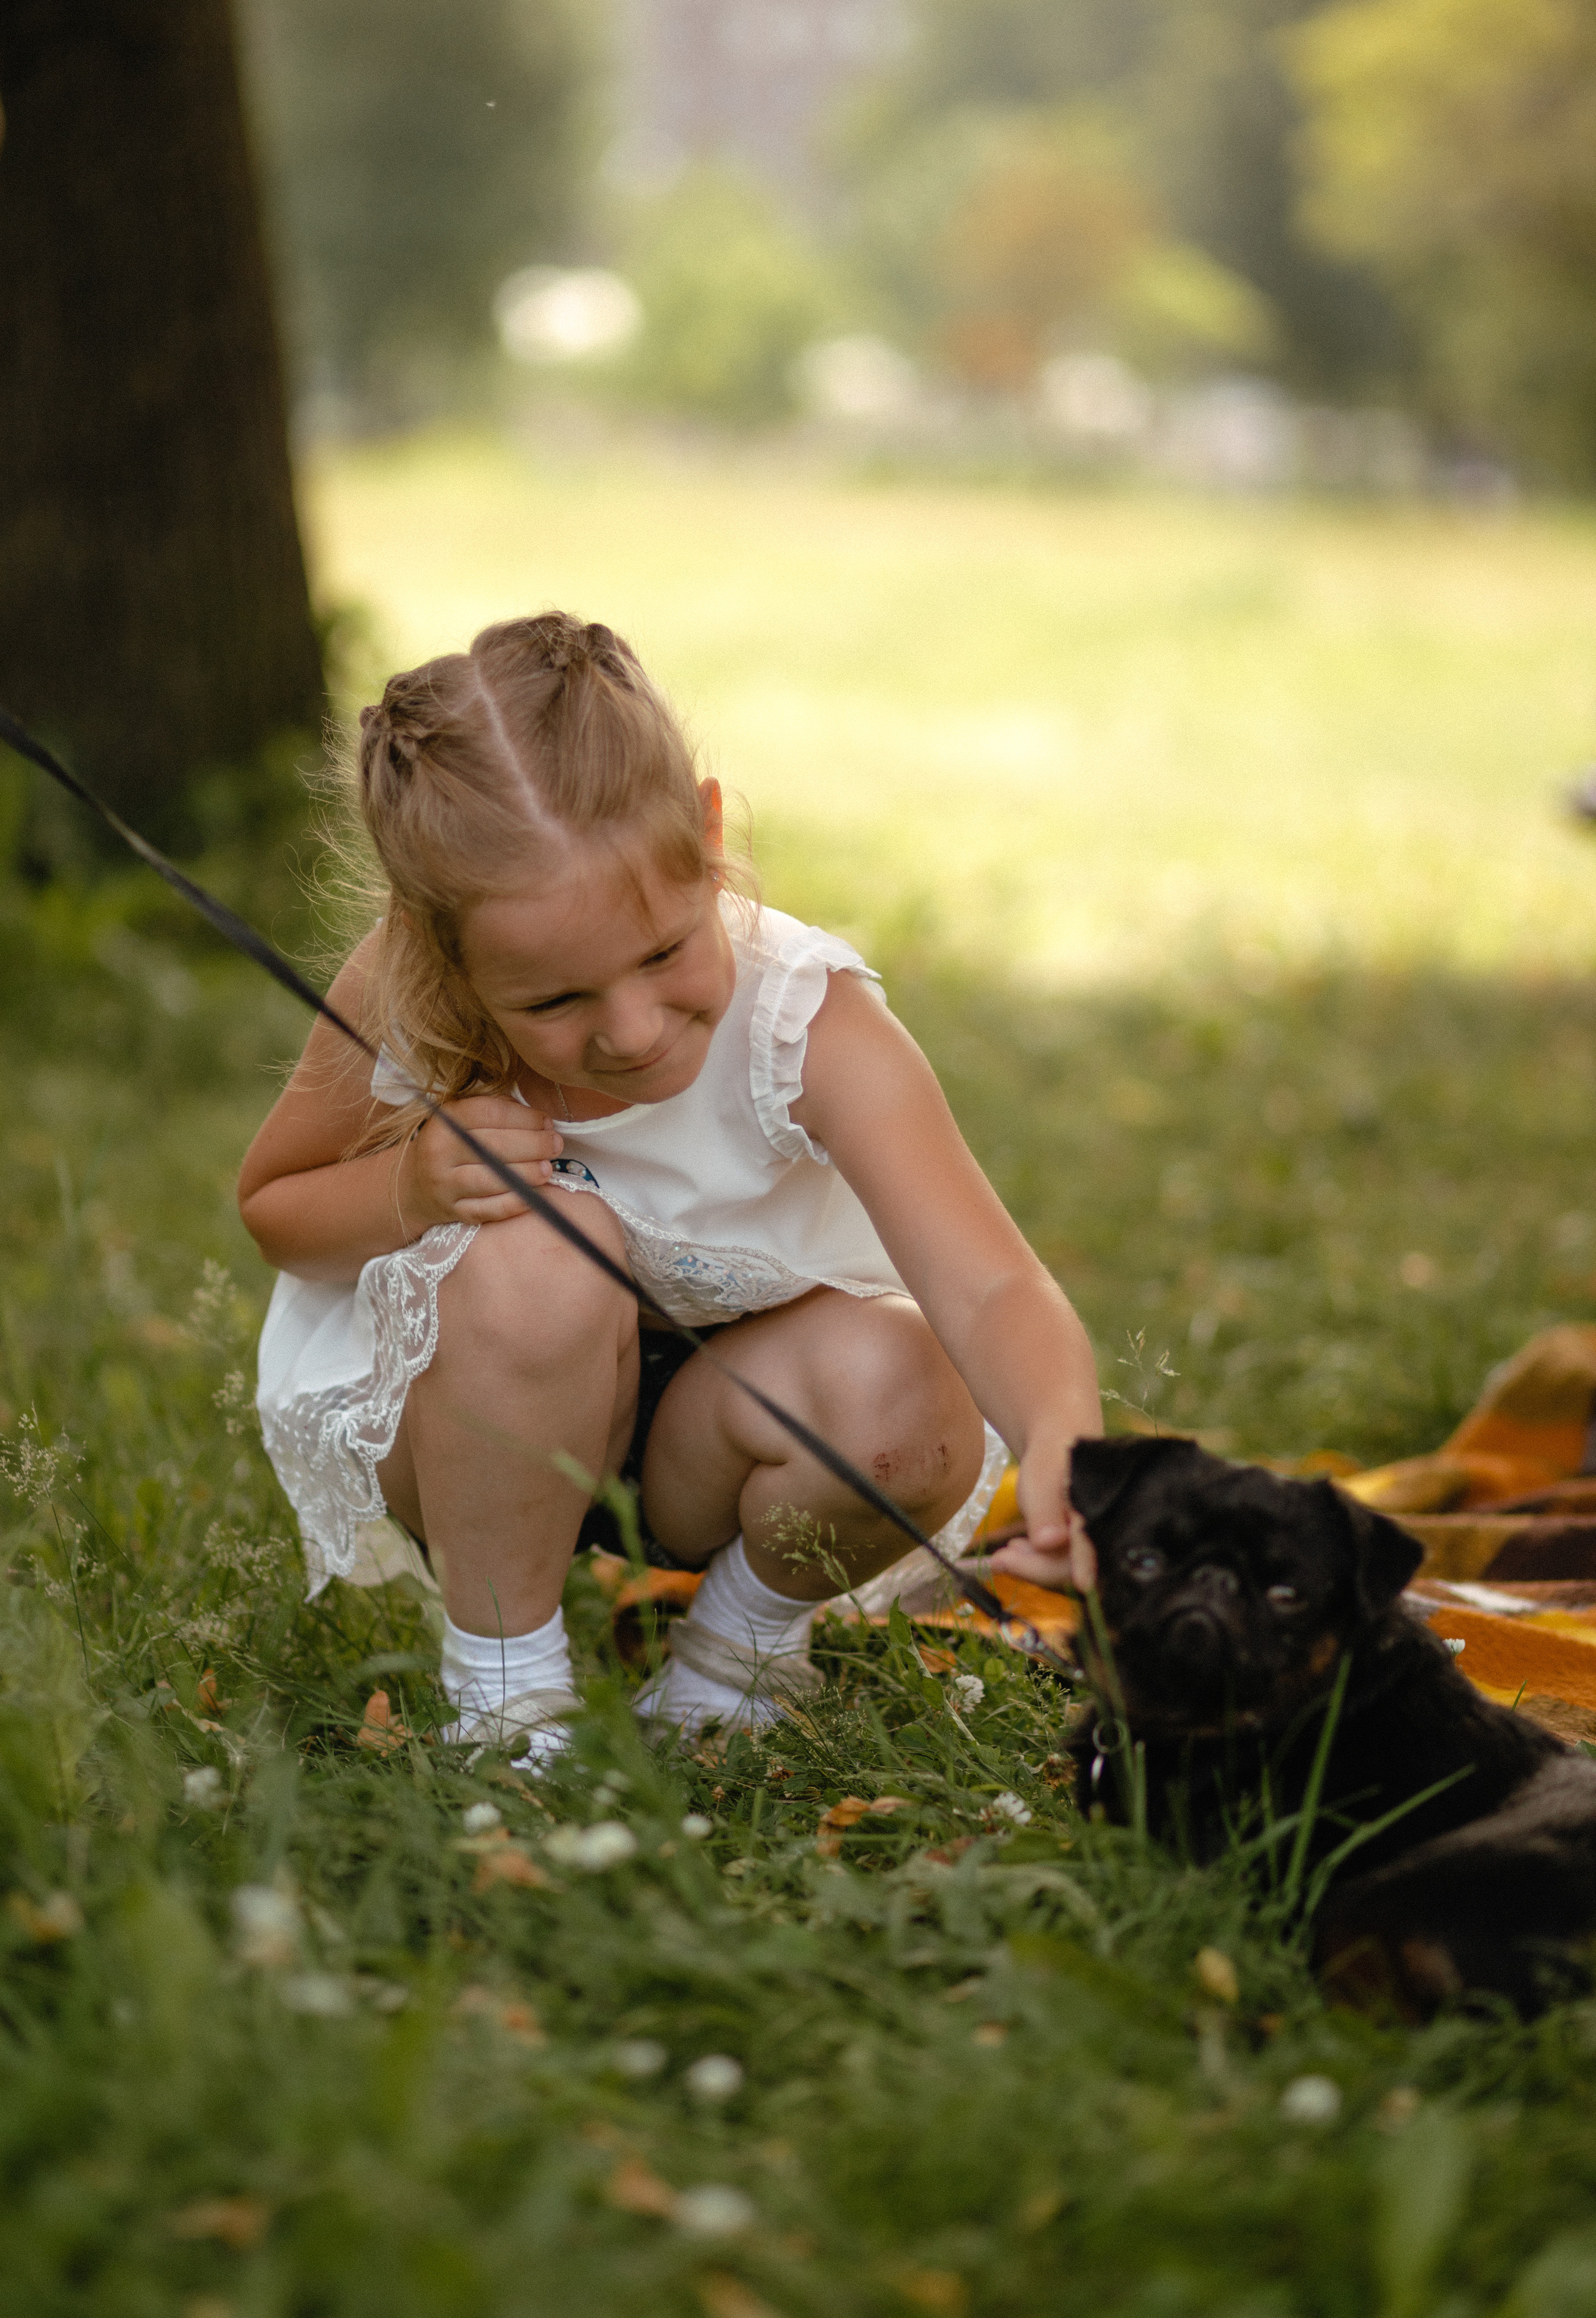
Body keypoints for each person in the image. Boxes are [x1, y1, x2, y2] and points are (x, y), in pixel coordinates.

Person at [238, 612, 1100, 1759]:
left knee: (909, 1380)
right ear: (437, 952)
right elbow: (277, 1210)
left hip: (724, 1432)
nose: (635, 1030)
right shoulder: (401, 992)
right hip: (472, 1424)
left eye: (663, 953)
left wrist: (1066, 1443)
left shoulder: (810, 1026)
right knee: (538, 1237)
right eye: (555, 1002)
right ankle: (507, 1686)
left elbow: (990, 1287)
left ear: (708, 834)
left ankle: (734, 1655)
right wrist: (418, 1183)